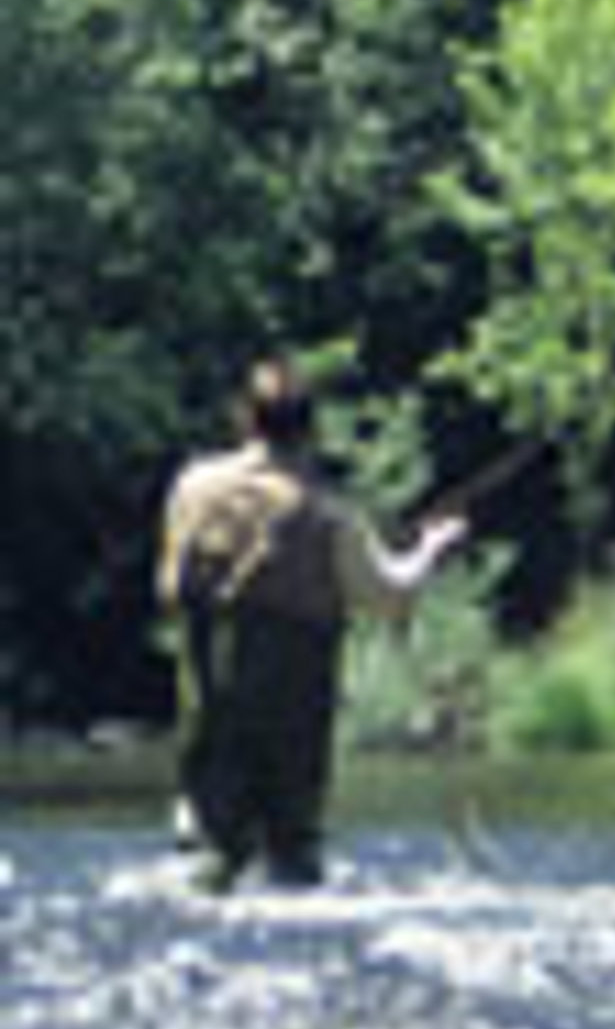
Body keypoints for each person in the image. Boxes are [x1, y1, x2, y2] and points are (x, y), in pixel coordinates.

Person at [157, 358, 466, 892]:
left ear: (244, 417)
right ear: (311, 428)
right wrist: (431, 548)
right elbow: (391, 595)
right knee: (292, 859)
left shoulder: (191, 488)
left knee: (215, 852)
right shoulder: (327, 513)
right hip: (293, 708)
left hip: (210, 694)